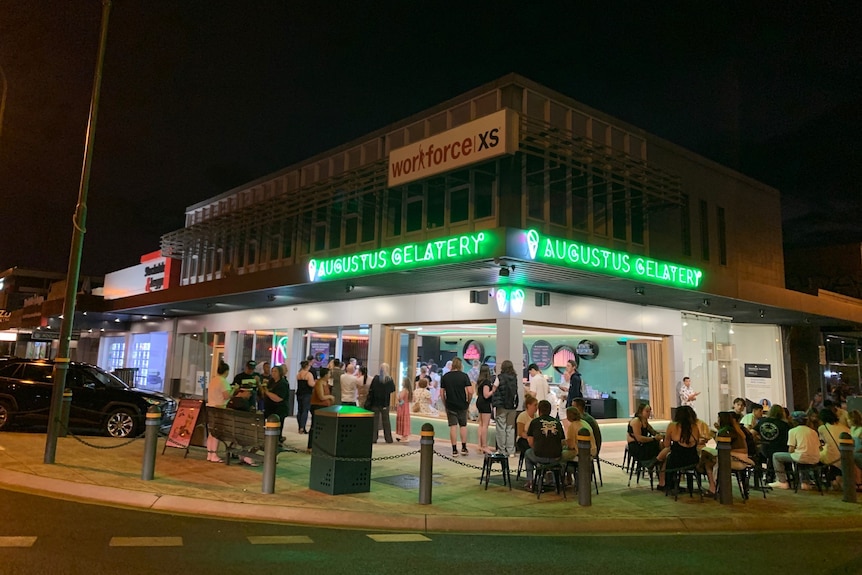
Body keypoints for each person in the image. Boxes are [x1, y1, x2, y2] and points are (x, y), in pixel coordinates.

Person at [769, 411, 821, 490]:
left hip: (801, 457)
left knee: (776, 456)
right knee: (803, 458)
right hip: (815, 458)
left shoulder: (793, 431)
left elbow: (791, 450)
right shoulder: (813, 431)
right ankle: (805, 482)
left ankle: (782, 481)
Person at [523, 400, 565, 492]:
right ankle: (555, 481)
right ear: (550, 410)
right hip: (556, 457)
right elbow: (562, 441)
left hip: (539, 456)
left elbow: (530, 442)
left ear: (539, 410)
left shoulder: (534, 422)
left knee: (527, 453)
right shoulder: (557, 422)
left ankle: (530, 481)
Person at [656, 405, 700, 491]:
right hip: (692, 460)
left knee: (667, 457)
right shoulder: (695, 427)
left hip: (677, 460)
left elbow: (666, 444)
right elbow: (697, 442)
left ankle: (666, 483)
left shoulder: (672, 426)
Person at [440, 357, 473, 456]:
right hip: (462, 404)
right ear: (460, 365)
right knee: (463, 425)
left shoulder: (446, 376)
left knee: (453, 426)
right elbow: (470, 391)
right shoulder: (464, 376)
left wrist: (445, 403)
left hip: (450, 404)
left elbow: (441, 393)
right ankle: (464, 447)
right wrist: (468, 402)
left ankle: (454, 449)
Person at [754, 404, 791, 482]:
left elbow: (751, 432)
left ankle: (769, 476)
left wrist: (760, 437)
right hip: (780, 449)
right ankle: (785, 477)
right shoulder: (784, 424)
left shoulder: (762, 421)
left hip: (765, 449)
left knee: (770, 456)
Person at [560, 406, 597, 484]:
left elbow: (571, 446)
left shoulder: (572, 426)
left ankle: (566, 478)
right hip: (593, 451)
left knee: (560, 456)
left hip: (581, 453)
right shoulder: (584, 422)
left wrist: (563, 444)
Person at [226, 383, 260, 466]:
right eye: (249, 393)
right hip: (241, 431)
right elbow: (250, 417)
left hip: (229, 430)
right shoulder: (243, 403)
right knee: (259, 435)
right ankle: (247, 455)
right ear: (245, 392)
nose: (250, 396)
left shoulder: (231, 401)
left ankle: (243, 454)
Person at [818, 408, 852, 488]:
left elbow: (821, 444)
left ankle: (831, 479)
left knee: (820, 456)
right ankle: (836, 478)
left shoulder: (822, 428)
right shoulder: (844, 427)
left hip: (832, 456)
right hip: (846, 455)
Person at [492, 359, 519, 457]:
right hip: (512, 406)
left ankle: (501, 450)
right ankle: (511, 451)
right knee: (510, 428)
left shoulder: (499, 377)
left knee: (501, 428)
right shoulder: (515, 378)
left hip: (502, 406)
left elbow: (494, 388)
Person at [205, 362, 231, 463]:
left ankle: (210, 454)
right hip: (219, 408)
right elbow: (226, 396)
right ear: (226, 371)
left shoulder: (213, 380)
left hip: (210, 407)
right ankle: (214, 455)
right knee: (216, 432)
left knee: (211, 433)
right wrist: (234, 390)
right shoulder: (223, 381)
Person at [307, 367, 334, 453]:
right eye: (329, 373)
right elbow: (321, 396)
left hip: (325, 407)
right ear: (325, 375)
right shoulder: (319, 383)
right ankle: (310, 446)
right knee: (315, 427)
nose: (330, 375)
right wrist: (330, 397)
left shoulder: (326, 383)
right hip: (317, 407)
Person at [261, 364, 290, 443]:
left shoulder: (283, 383)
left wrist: (267, 392)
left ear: (280, 373)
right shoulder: (271, 381)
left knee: (277, 428)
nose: (273, 373)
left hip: (279, 409)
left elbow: (278, 398)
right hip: (270, 408)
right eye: (272, 371)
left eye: (275, 371)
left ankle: (277, 442)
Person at [368, 363, 396, 443]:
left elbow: (371, 389)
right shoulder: (389, 379)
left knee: (375, 422)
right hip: (385, 403)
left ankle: (373, 438)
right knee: (386, 422)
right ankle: (388, 438)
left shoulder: (376, 378)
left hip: (375, 402)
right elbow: (393, 389)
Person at [475, 364, 495, 454]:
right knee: (485, 425)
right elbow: (486, 395)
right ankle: (484, 446)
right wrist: (493, 390)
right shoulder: (486, 382)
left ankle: (479, 444)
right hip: (485, 403)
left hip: (479, 402)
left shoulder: (480, 381)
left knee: (481, 424)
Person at [295, 360, 315, 434]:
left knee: (299, 410)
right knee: (305, 410)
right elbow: (311, 384)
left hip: (299, 393)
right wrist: (315, 383)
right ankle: (302, 427)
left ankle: (300, 426)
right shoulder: (308, 374)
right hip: (307, 394)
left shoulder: (299, 374)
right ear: (307, 366)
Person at [396, 377, 412, 443]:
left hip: (402, 408)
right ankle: (404, 436)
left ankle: (404, 436)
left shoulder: (404, 390)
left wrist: (397, 395)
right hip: (406, 407)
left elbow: (400, 398)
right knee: (405, 421)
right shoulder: (408, 390)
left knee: (402, 421)